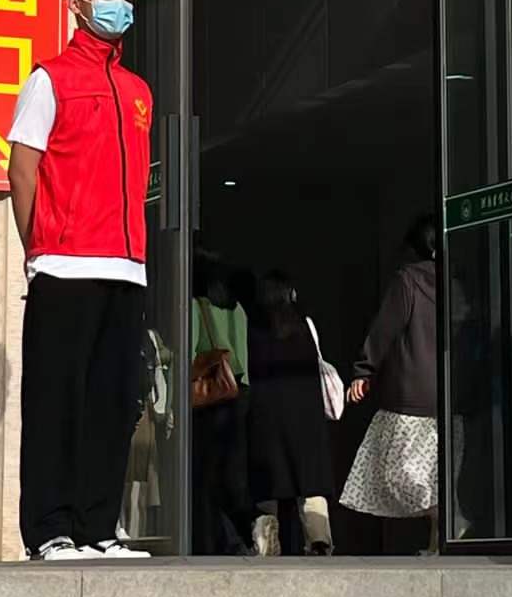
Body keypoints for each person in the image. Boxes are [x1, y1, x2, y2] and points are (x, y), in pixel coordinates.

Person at [5, 0, 156, 562]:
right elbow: (22, 169)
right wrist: (38, 246)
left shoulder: (138, 90)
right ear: (75, 4)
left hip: (127, 266)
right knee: (56, 403)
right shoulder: (50, 79)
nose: (120, 5)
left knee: (112, 405)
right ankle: (50, 531)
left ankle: (98, 528)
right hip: (65, 265)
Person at [343, 215, 442, 551]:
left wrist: (364, 369)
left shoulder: (408, 279)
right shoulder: (460, 279)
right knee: (440, 477)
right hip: (451, 394)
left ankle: (439, 526)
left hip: (412, 393)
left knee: (398, 473)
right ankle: (440, 539)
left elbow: (385, 328)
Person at [248, 271, 339, 555]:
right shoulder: (305, 325)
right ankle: (319, 539)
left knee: (270, 483)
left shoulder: (254, 327)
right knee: (311, 482)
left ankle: (267, 540)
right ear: (291, 294)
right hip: (306, 417)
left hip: (268, 416)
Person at [189, 257, 256, 556]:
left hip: (211, 398)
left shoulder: (196, 307)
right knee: (230, 474)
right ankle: (248, 529)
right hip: (239, 392)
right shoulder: (237, 309)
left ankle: (221, 542)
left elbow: (190, 356)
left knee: (203, 479)